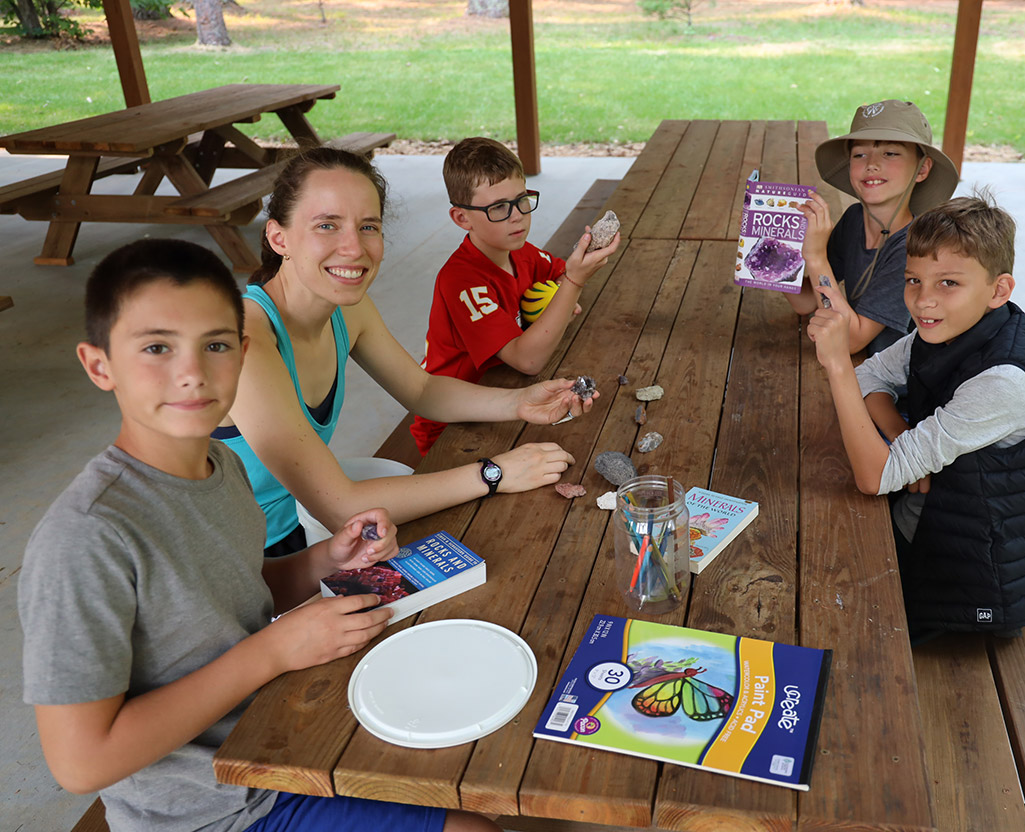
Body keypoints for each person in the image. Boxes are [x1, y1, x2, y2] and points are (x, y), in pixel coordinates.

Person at [18, 238, 499, 832]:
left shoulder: (219, 469)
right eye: (156, 348)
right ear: (99, 365)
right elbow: (80, 764)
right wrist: (272, 650)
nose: (192, 373)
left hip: (274, 735)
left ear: (243, 353)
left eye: (215, 345)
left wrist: (325, 558)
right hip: (214, 809)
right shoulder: (86, 539)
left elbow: (235, 594)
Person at [214, 147, 596, 556]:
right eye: (327, 225)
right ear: (279, 237)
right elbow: (341, 506)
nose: (353, 248)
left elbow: (421, 390)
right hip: (248, 561)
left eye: (368, 227)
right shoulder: (245, 337)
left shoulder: (348, 309)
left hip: (307, 525)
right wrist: (494, 473)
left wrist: (520, 402)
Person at [807, 194, 1025, 642]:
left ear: (999, 290)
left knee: (821, 606)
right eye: (913, 280)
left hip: (977, 587)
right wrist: (901, 433)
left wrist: (835, 365)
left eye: (948, 283)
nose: (923, 301)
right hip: (938, 523)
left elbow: (876, 474)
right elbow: (870, 376)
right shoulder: (943, 329)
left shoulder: (1003, 381)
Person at [410, 137, 619, 456]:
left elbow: (560, 277)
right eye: (497, 208)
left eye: (522, 200)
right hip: (454, 423)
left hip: (505, 393)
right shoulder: (461, 280)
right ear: (462, 218)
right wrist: (573, 284)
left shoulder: (522, 252)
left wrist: (568, 284)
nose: (516, 215)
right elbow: (528, 360)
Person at [790, 99, 959, 357]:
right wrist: (772, 256)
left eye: (890, 153)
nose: (871, 164)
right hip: (864, 363)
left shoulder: (915, 248)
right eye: (859, 154)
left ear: (922, 168)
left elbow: (848, 341)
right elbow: (806, 301)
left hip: (899, 383)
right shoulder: (854, 219)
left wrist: (814, 256)